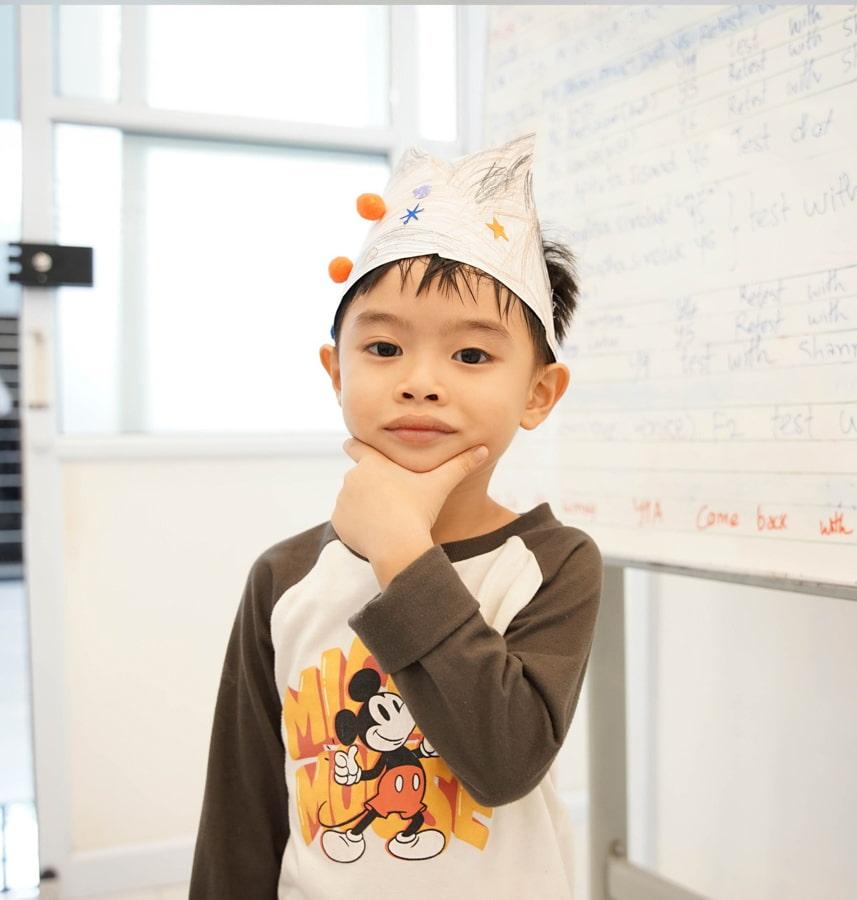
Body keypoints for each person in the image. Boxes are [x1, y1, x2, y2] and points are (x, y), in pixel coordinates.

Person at [189, 132, 603, 899]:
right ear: (336, 368)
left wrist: (402, 552)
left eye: (472, 356)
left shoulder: (554, 563)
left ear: (540, 392)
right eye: (382, 347)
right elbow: (241, 809)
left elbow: (505, 761)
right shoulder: (283, 578)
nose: (420, 382)